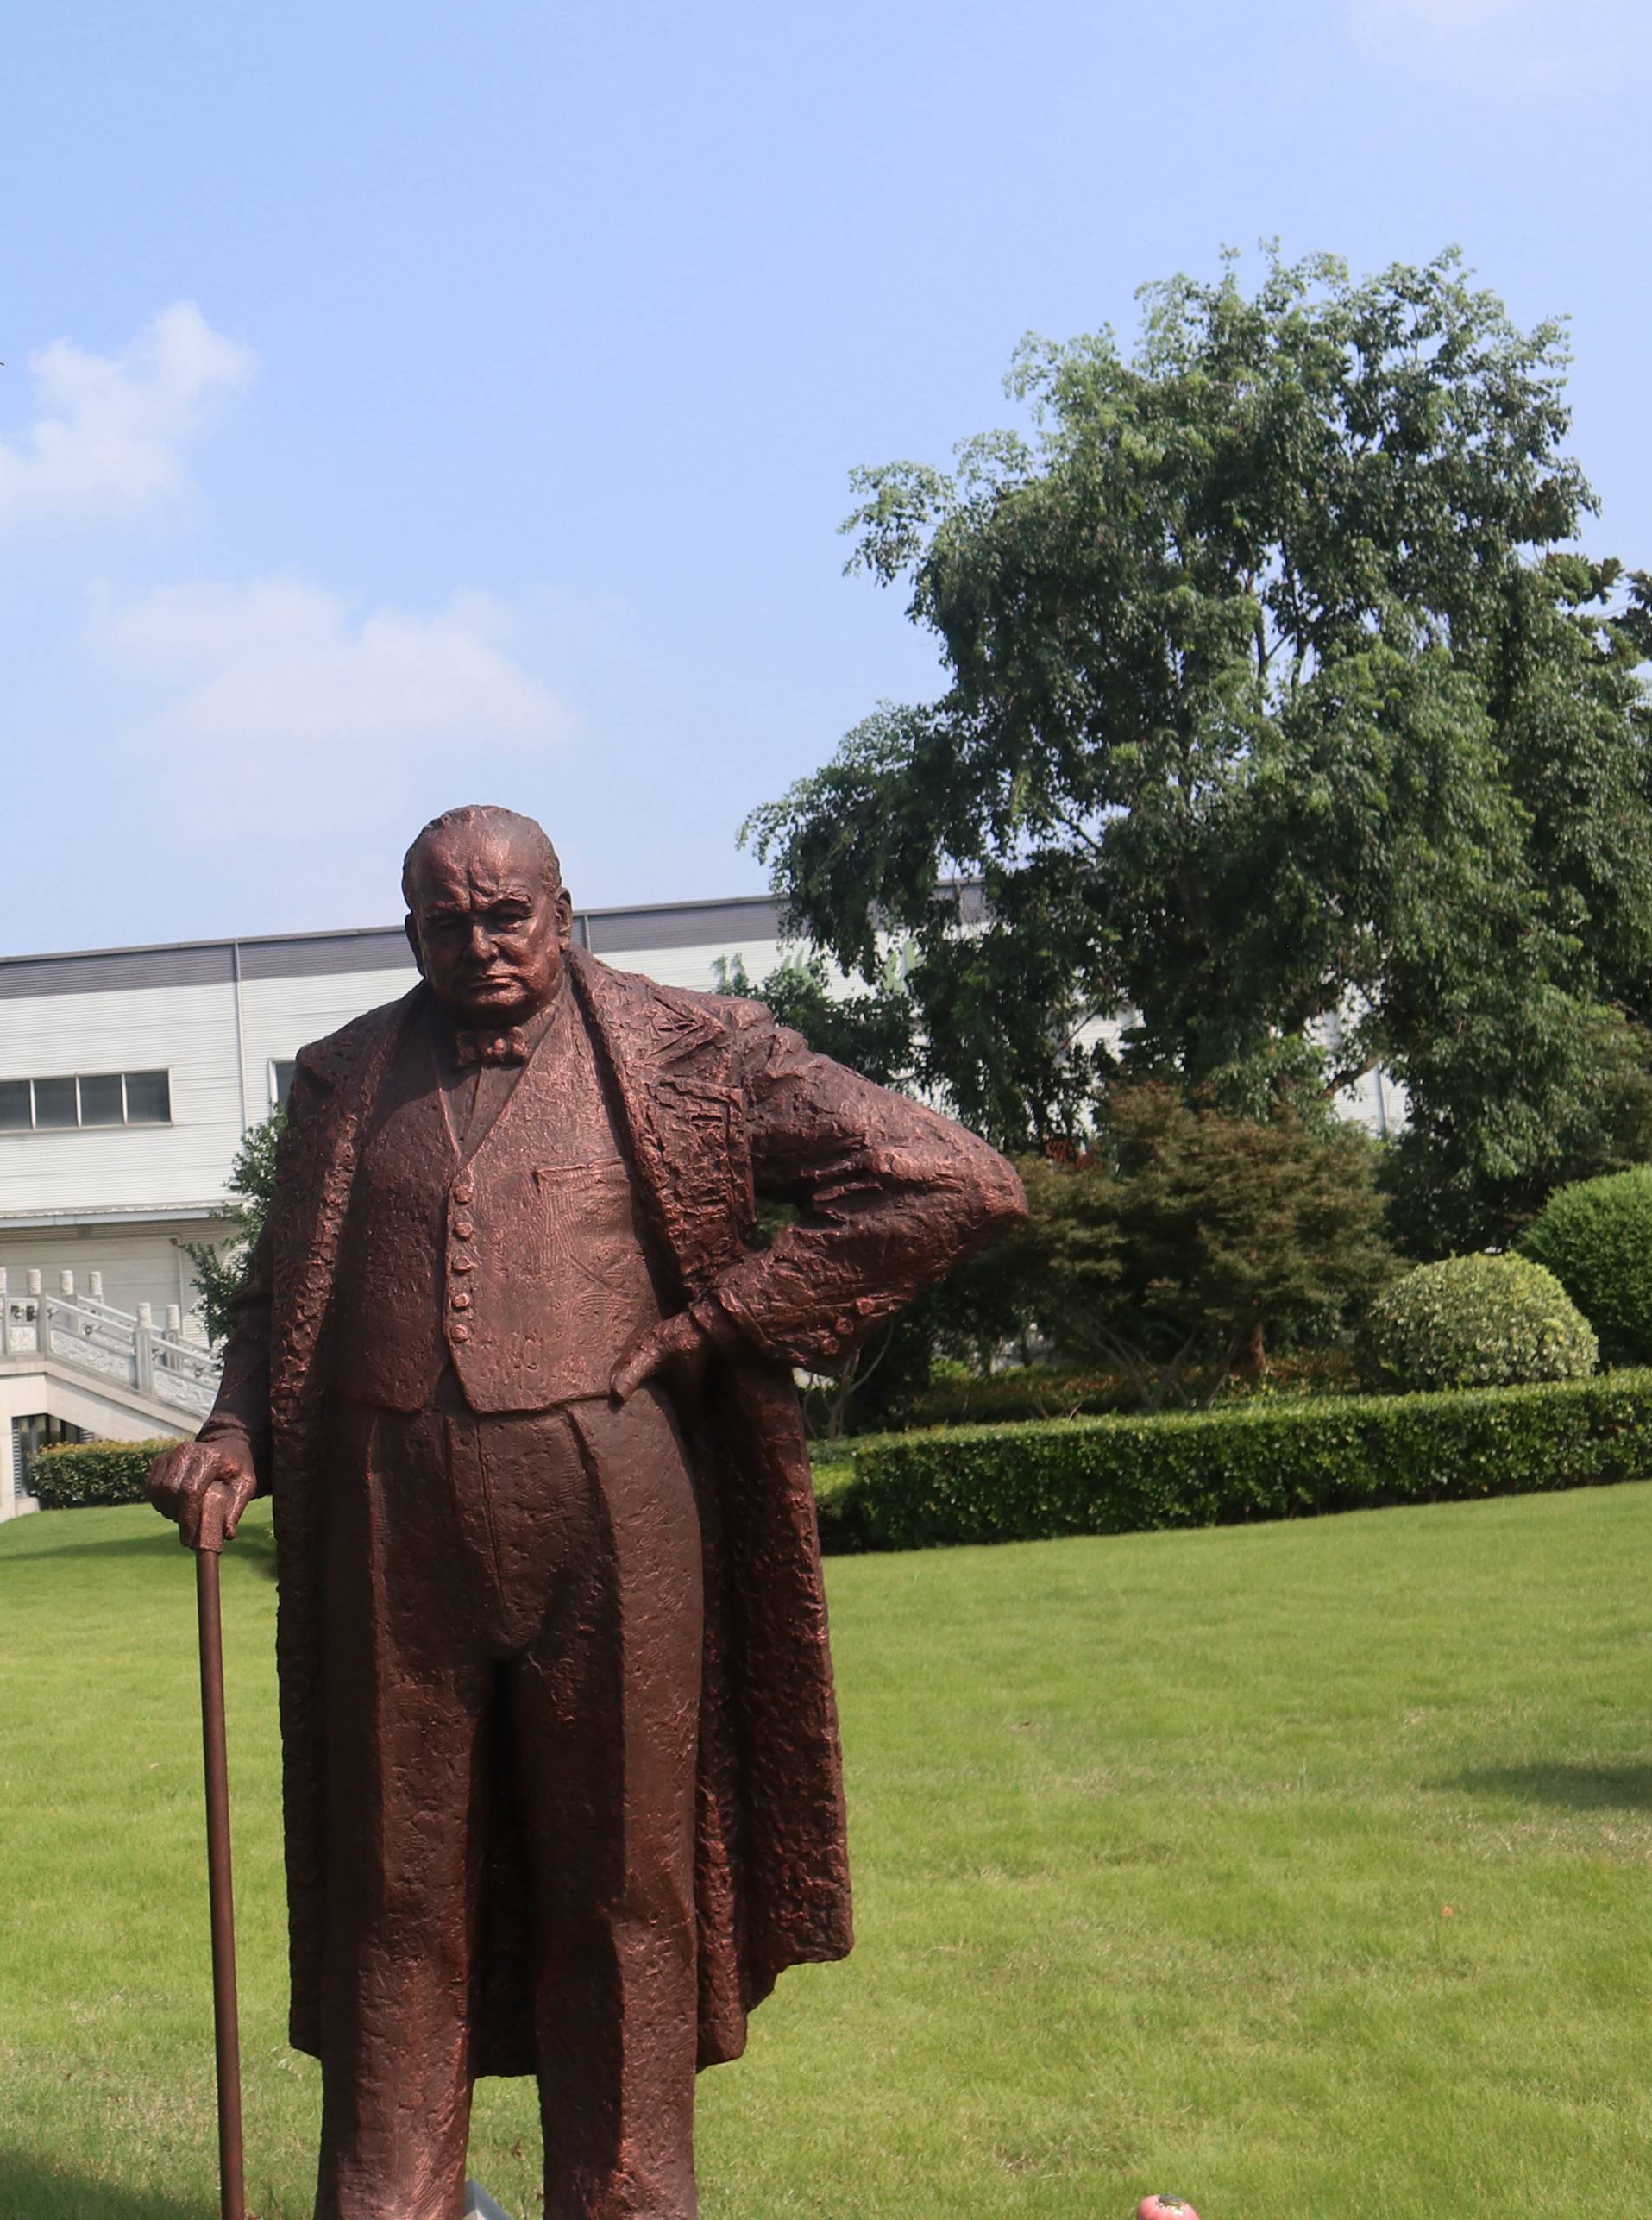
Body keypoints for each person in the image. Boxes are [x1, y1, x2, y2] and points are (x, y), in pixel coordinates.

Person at [148, 806, 1021, 2220]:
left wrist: (734, 1313)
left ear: (566, 911)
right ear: (410, 929)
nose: (483, 946)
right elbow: (278, 1298)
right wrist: (236, 1425)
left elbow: (951, 1180)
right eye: (451, 922)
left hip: (621, 1519)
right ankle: (387, 2201)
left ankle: (622, 2201)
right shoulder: (341, 1076)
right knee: (392, 1889)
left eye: (510, 917)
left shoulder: (693, 1050)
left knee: (624, 1885)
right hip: (387, 1529)